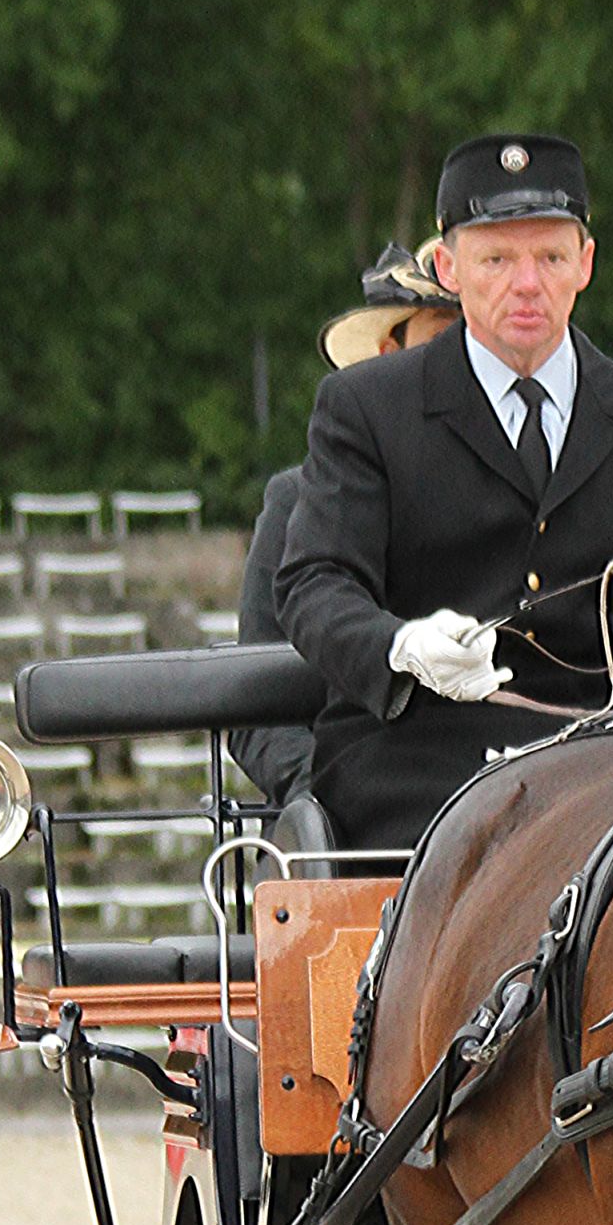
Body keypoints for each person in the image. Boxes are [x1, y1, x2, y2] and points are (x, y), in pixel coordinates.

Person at [275, 131, 613, 848]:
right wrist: (400, 646)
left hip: (606, 759)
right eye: (496, 259)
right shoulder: (367, 407)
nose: (527, 284)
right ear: (448, 268)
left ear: (585, 264)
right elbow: (314, 584)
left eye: (550, 257)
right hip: (416, 761)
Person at [230, 245, 460, 805]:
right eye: (444, 341)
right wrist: (333, 794)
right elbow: (256, 709)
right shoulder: (297, 502)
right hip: (355, 814)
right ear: (388, 354)